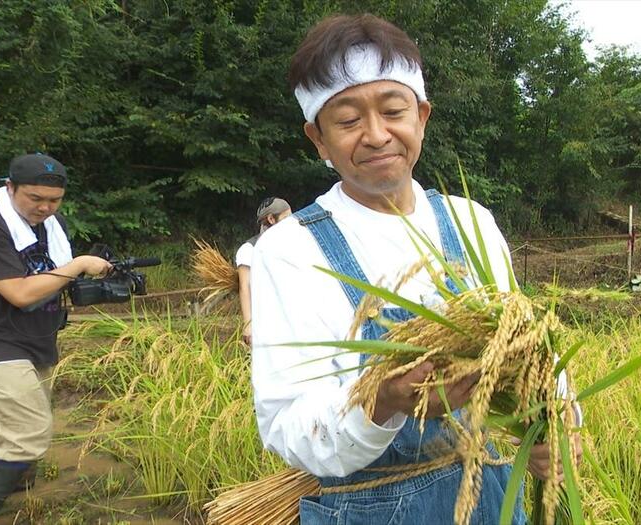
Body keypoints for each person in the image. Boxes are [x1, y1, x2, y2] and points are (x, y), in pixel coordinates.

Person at [250, 14, 576, 524]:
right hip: (370, 509)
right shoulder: (291, 249)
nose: (377, 135)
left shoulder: (471, 221)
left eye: (393, 110)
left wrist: (553, 424)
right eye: (349, 120)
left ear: (421, 115)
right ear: (318, 138)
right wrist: (382, 400)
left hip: (491, 496)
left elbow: (529, 349)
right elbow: (288, 427)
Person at [0, 153, 112, 523]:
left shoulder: (51, 226)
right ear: (10, 188)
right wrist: (77, 266)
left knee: (18, 434)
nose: (45, 207)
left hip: (37, 339)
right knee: (27, 433)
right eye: (34, 198)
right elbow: (21, 293)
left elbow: (53, 280)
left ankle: (21, 503)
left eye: (53, 200)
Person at [234, 197, 292, 345]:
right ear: (271, 219)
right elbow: (245, 287)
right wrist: (248, 326)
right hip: (265, 320)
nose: (292, 222)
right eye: (287, 218)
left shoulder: (291, 246)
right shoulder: (249, 250)